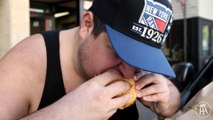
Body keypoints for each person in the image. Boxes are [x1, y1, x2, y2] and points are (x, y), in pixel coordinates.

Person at [0, 0, 180, 119]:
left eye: (140, 60)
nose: (128, 73)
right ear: (87, 25)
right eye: (118, 53)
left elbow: (170, 93)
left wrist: (169, 102)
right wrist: (66, 113)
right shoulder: (26, 65)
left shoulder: (136, 69)